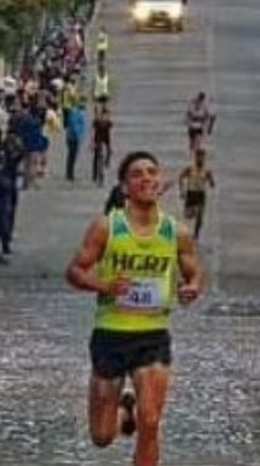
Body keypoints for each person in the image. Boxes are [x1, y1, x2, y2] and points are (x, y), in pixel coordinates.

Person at [66, 151, 204, 466]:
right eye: (137, 174)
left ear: (160, 182)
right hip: (111, 333)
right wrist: (103, 286)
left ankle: (138, 414)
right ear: (125, 186)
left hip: (153, 334)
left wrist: (193, 287)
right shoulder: (107, 227)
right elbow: (75, 271)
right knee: (101, 437)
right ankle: (123, 409)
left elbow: (194, 272)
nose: (146, 178)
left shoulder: (176, 232)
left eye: (152, 172)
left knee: (151, 421)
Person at [178, 149, 215, 240]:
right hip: (191, 193)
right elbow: (181, 177)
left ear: (204, 158)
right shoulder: (190, 168)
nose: (200, 159)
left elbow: (212, 184)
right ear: (195, 158)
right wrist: (181, 191)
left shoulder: (207, 170)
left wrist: (211, 180)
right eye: (198, 157)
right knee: (187, 215)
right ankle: (194, 211)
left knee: (200, 217)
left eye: (202, 157)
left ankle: (196, 235)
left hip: (201, 195)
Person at [92, 105, 113, 186]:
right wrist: (92, 144)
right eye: (102, 116)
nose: (104, 117)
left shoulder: (108, 123)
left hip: (106, 143)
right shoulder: (96, 122)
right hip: (98, 142)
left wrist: (110, 147)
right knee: (98, 159)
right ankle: (99, 177)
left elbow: (111, 135)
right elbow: (92, 133)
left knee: (104, 160)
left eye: (105, 116)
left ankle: (100, 174)